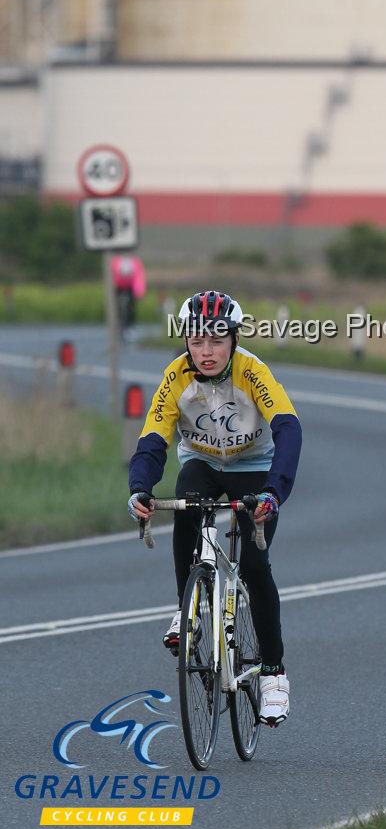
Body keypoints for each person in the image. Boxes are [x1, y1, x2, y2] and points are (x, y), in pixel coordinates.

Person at [127, 290, 303, 726]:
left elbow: (289, 428)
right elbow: (153, 439)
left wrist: (273, 491)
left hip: (255, 468)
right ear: (187, 340)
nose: (206, 352)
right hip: (203, 464)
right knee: (185, 501)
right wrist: (141, 488)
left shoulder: (252, 371)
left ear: (234, 340)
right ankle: (189, 610)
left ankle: (274, 674)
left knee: (255, 567)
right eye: (198, 341)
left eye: (217, 341)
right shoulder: (176, 376)